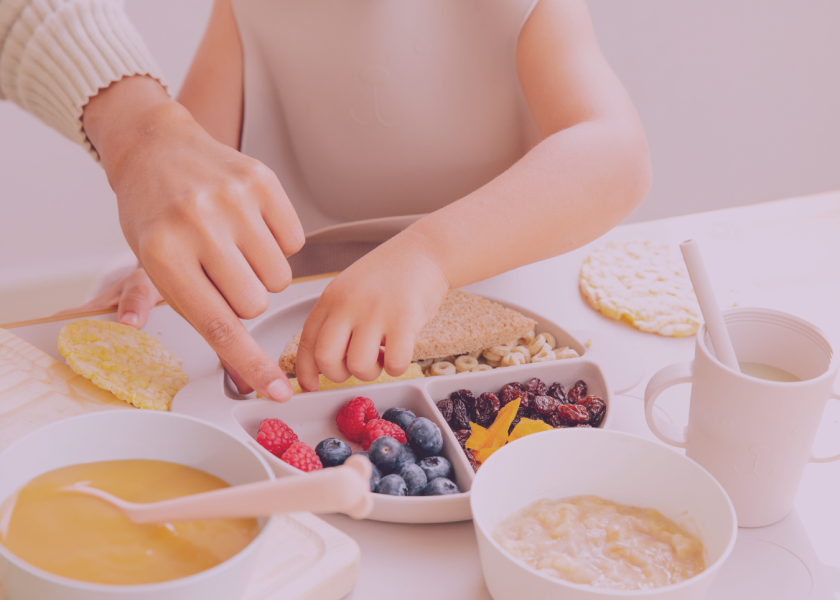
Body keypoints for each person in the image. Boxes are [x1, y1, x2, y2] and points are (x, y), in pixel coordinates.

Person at [0, 0, 651, 400]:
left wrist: (428, 256)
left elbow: (616, 154)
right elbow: (190, 179)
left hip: (502, 301)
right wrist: (163, 264)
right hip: (294, 320)